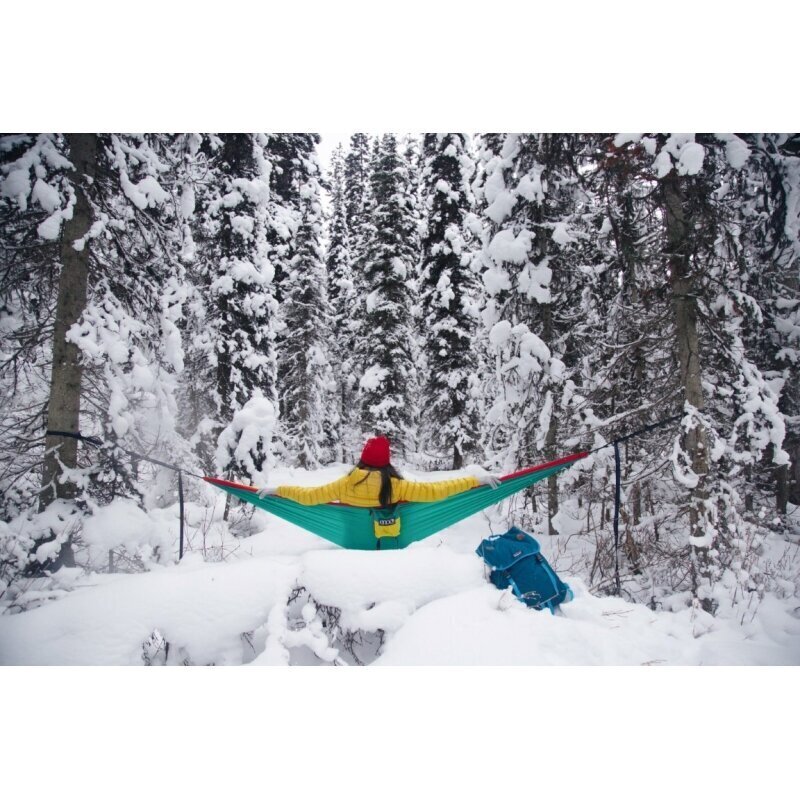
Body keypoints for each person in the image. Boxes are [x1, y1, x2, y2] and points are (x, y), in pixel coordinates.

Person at [259, 436, 501, 507]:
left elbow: (308, 496)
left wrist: (279, 490)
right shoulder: (397, 486)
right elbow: (437, 490)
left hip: (353, 546)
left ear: (362, 459)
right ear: (387, 462)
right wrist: (473, 480)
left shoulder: (345, 484)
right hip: (390, 544)